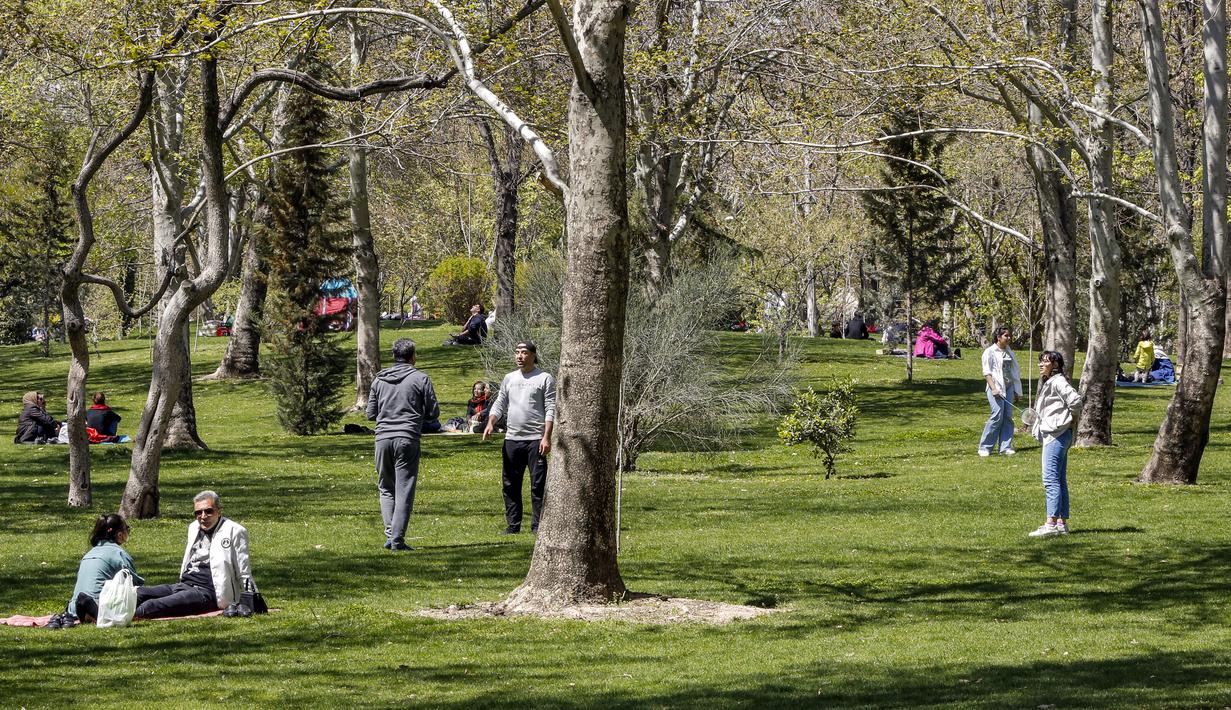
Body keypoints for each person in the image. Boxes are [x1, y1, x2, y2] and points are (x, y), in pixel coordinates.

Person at [366, 338, 440, 550]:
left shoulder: (379, 380)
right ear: (413, 357)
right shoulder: (421, 379)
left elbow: (371, 414)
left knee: (386, 489)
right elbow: (433, 412)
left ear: (393, 356)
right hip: (407, 438)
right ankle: (397, 540)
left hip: (382, 439)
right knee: (404, 489)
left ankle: (391, 535)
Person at [135, 491, 257, 618]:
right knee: (138, 593)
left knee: (151, 606)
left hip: (208, 593)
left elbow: (244, 571)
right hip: (184, 585)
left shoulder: (235, 531)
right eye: (198, 512)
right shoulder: (193, 527)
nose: (203, 516)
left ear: (219, 511)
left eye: (208, 511)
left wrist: (254, 598)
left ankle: (121, 618)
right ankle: (118, 612)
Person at [483, 341, 555, 534]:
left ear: (533, 355)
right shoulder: (509, 378)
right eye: (517, 353)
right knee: (510, 484)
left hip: (535, 440)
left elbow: (550, 408)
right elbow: (500, 402)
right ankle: (513, 525)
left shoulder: (544, 378)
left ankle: (538, 526)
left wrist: (546, 437)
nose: (519, 356)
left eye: (524, 353)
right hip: (512, 439)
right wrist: (491, 422)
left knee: (537, 485)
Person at [46, 514, 143, 629]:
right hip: (102, 606)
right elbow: (134, 587)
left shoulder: (89, 554)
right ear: (120, 534)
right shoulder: (118, 553)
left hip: (73, 609)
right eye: (127, 529)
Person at [1027, 351, 1083, 537]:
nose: (1041, 365)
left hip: (1057, 435)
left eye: (1045, 362)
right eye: (1040, 361)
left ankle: (1050, 524)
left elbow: (1075, 401)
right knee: (1059, 480)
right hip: (1060, 434)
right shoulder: (1051, 382)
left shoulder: (1058, 381)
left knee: (1050, 480)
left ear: (1056, 365)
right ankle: (1061, 523)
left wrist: (1070, 419)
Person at [978, 326, 1022, 457]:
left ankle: (1005, 447)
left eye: (1009, 336)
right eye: (1006, 336)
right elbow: (987, 372)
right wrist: (993, 388)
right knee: (997, 415)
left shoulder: (1009, 352)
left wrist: (1016, 391)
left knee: (1007, 416)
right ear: (998, 337)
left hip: (1009, 387)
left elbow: (1014, 373)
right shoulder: (990, 352)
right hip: (996, 388)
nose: (1009, 338)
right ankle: (985, 447)